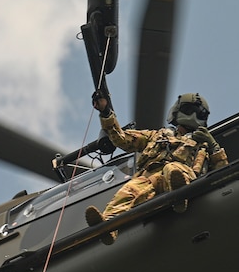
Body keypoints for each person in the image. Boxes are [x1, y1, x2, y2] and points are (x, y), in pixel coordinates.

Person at [85, 91, 229, 240]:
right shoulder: (157, 136)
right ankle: (108, 226)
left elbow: (223, 174)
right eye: (188, 110)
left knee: (172, 168)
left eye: (198, 113)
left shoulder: (203, 147)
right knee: (128, 190)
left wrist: (213, 146)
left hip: (182, 177)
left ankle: (179, 195)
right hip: (150, 179)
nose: (192, 116)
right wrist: (106, 112)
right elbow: (122, 139)